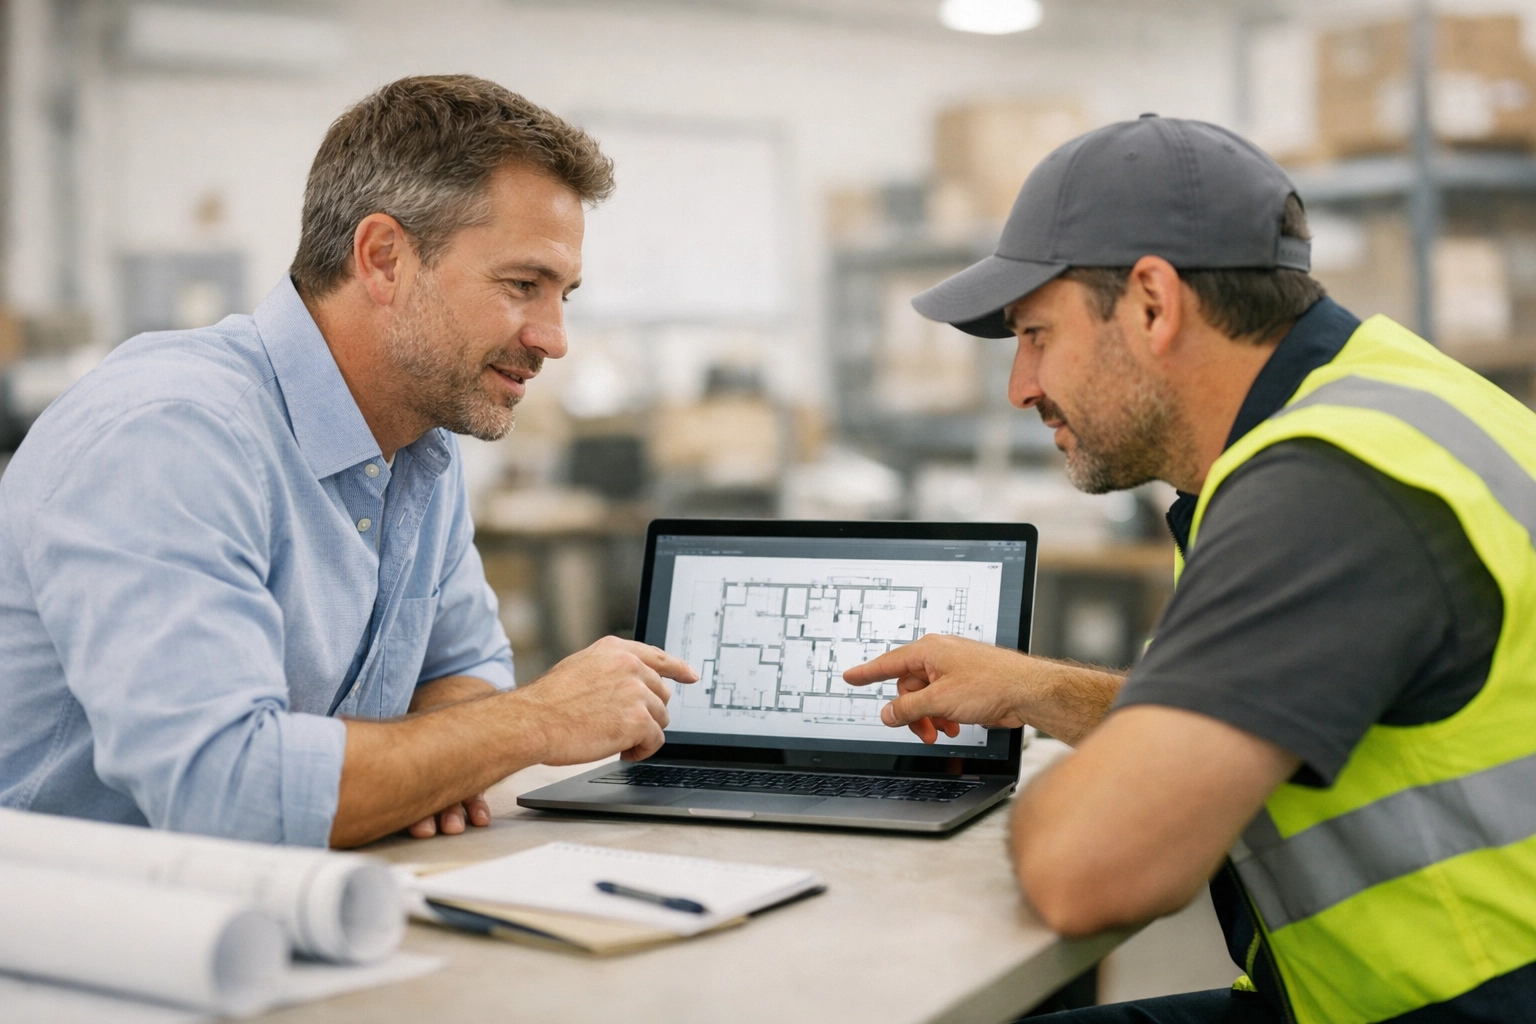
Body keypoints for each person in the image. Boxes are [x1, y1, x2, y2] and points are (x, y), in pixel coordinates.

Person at [845, 114, 1536, 1022]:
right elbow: (1294, 703)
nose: (1020, 386)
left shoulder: (1332, 487)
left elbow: (1088, 869)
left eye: (1037, 334)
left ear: (1152, 304)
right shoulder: (1385, 403)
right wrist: (1041, 690)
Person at [0, 75, 696, 850]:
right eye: (523, 285)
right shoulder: (171, 434)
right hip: (72, 937)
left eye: (563, 293)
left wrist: (429, 764)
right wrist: (534, 721)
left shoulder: (421, 446)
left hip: (288, 910)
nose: (553, 337)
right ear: (383, 258)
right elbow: (225, 793)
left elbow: (466, 669)